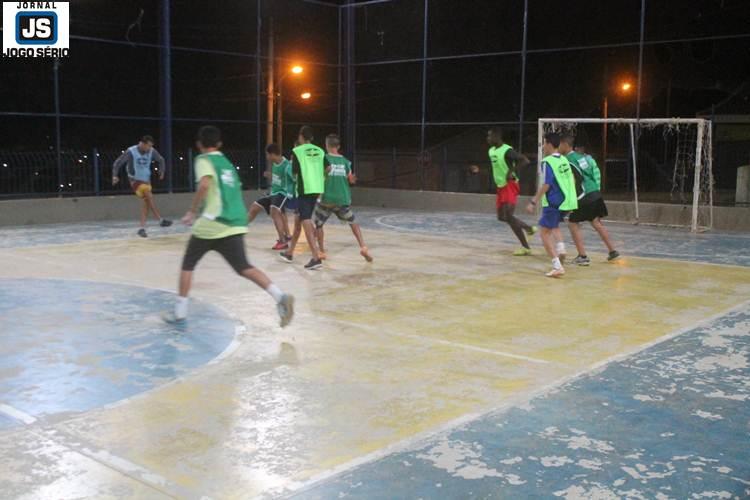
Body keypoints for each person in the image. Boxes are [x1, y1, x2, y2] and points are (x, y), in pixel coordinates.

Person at [165, 125, 294, 326]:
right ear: (219, 144)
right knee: (244, 267)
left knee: (188, 264)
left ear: (199, 144)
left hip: (212, 222)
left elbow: (205, 184)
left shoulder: (203, 160)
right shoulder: (226, 163)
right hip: (235, 223)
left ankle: (180, 313)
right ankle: (280, 297)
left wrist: (192, 210)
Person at [470, 127, 537, 255]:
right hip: (501, 186)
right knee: (501, 217)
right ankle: (528, 229)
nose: (487, 139)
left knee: (509, 216)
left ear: (497, 137)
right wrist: (479, 171)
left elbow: (525, 160)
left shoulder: (507, 150)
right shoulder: (491, 151)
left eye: (490, 136)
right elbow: (494, 169)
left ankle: (526, 247)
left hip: (510, 185)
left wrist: (511, 171)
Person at [559, 136, 620, 265]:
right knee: (596, 222)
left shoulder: (567, 160)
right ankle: (613, 251)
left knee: (572, 223)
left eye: (559, 145)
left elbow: (575, 180)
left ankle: (582, 256)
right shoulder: (582, 157)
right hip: (595, 193)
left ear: (565, 144)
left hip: (584, 196)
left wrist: (570, 200)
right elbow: (590, 173)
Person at [526, 132, 578, 278]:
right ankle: (561, 248)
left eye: (544, 143)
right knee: (553, 226)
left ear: (549, 144)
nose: (543, 146)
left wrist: (534, 201)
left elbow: (547, 184)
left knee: (544, 233)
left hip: (554, 201)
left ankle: (557, 266)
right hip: (567, 201)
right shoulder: (564, 160)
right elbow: (572, 180)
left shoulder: (547, 162)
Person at [314, 134, 373, 262]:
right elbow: (351, 180)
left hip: (327, 198)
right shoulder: (346, 162)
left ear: (327, 145)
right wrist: (351, 180)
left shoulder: (323, 159)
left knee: (318, 224)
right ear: (338, 146)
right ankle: (363, 246)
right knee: (353, 221)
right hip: (342, 199)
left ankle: (322, 251)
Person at [279, 126, 327, 270]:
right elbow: (328, 168)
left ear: (301, 137)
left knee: (305, 220)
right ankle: (289, 253)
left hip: (304, 190)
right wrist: (320, 178)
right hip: (317, 189)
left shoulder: (297, 151)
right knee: (299, 221)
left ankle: (315, 257)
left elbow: (294, 174)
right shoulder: (320, 151)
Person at [112, 135, 173, 237]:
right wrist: (114, 175)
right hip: (135, 180)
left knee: (147, 202)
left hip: (147, 180)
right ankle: (160, 220)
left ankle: (142, 228)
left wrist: (162, 171)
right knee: (148, 196)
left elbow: (161, 159)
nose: (149, 149)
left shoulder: (151, 151)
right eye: (148, 146)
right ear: (142, 144)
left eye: (150, 146)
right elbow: (118, 162)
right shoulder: (131, 152)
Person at [247, 144, 296, 250]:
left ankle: (283, 241)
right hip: (274, 193)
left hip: (284, 193)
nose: (267, 157)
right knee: (254, 207)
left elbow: (295, 179)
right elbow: (278, 180)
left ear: (272, 154)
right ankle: (239, 229)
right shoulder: (275, 164)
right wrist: (270, 176)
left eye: (267, 155)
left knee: (274, 210)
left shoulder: (287, 165)